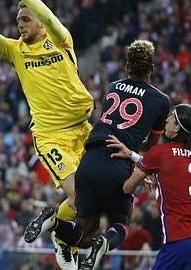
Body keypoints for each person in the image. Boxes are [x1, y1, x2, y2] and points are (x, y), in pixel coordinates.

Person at [0, 0, 95, 268]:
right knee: (83, 200)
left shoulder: (60, 40)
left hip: (85, 129)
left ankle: (61, 236)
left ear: (40, 23)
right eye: (17, 20)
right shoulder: (15, 50)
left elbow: (48, 14)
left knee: (99, 199)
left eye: (25, 18)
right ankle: (61, 237)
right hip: (52, 138)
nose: (20, 24)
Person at [22, 40, 171, 269]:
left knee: (83, 233)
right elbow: (152, 146)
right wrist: (139, 161)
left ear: (127, 66)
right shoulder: (161, 101)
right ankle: (102, 243)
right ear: (152, 68)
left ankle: (53, 222)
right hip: (117, 164)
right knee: (120, 224)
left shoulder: (113, 86)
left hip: (89, 159)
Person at [107, 103, 191, 270]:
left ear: (178, 127)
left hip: (180, 240)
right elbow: (171, 165)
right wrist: (132, 155)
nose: (167, 120)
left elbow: (127, 188)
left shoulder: (160, 152)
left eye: (172, 117)